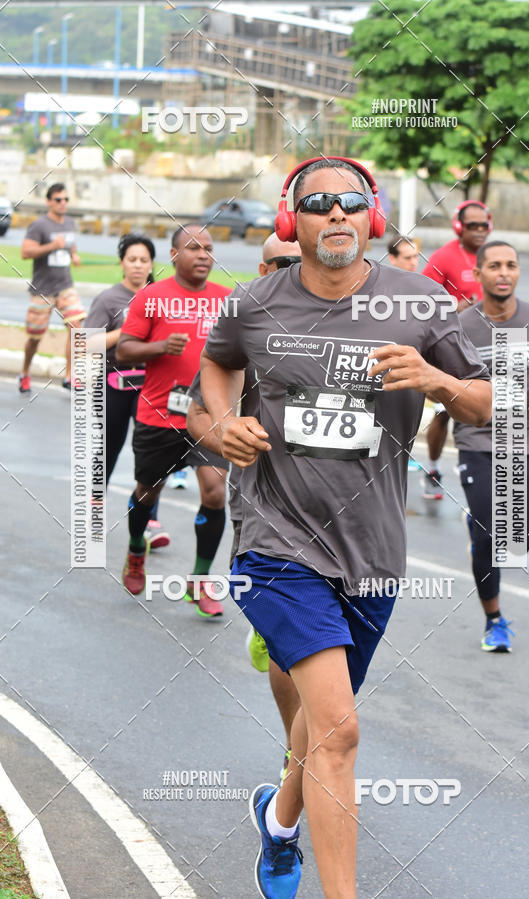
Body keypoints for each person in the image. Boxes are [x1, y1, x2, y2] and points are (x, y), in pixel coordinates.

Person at [200, 157, 491, 898]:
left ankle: (279, 822)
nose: (337, 213)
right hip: (275, 541)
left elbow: (493, 402)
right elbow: (216, 367)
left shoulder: (422, 303)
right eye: (319, 202)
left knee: (321, 724)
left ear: (373, 217)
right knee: (340, 731)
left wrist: (439, 381)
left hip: (371, 551)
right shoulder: (253, 304)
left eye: (352, 201)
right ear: (290, 220)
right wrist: (224, 422)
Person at [187, 231, 302, 782]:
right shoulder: (247, 324)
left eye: (301, 262)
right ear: (262, 268)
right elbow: (197, 414)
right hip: (265, 503)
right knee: (289, 639)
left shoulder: (348, 325)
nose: (294, 272)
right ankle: (296, 752)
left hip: (343, 510)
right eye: (282, 263)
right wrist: (228, 435)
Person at [116, 223, 230, 617]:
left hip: (209, 416)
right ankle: (136, 550)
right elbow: (124, 350)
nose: (203, 255)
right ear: (174, 254)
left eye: (208, 248)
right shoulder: (151, 297)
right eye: (194, 247)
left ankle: (199, 580)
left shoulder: (227, 300)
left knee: (214, 492)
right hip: (160, 415)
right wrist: (160, 346)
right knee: (148, 492)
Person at [453, 241, 529, 652]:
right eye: (494, 265)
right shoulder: (461, 325)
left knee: (518, 542)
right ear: (478, 273)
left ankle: (488, 532)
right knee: (487, 533)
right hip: (477, 437)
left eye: (511, 265)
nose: (504, 272)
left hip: (524, 439)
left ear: (518, 272)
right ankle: (494, 620)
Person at [83, 233, 169, 550]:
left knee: (152, 453)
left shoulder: (161, 297)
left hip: (152, 386)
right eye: (132, 259)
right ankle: (93, 513)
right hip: (115, 386)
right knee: (108, 449)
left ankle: (150, 521)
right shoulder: (108, 299)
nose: (138, 265)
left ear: (151, 264)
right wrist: (125, 332)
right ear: (122, 263)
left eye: (144, 260)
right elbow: (88, 343)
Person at [421, 201, 493, 499]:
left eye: (484, 225)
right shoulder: (444, 257)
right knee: (443, 412)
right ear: (459, 227)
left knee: (485, 410)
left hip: (487, 345)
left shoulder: (493, 256)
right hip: (450, 348)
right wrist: (454, 306)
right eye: (472, 225)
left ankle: (482, 479)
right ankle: (433, 468)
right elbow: (420, 299)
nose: (479, 230)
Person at [19, 183, 85, 393]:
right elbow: (25, 252)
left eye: (66, 199)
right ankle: (25, 372)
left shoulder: (70, 223)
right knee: (34, 337)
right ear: (48, 202)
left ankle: (69, 376)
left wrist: (74, 255)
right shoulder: (39, 225)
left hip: (65, 287)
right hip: (42, 291)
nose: (63, 203)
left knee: (76, 327)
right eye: (58, 199)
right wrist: (51, 246)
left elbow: (70, 245)